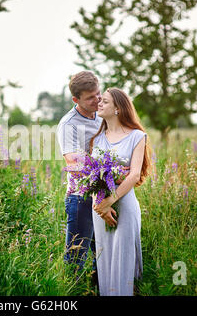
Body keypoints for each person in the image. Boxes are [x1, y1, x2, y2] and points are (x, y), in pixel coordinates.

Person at [57, 72, 129, 285]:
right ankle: (72, 292)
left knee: (104, 254)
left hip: (108, 196)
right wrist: (101, 195)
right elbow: (74, 165)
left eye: (98, 94)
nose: (97, 100)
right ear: (76, 100)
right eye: (90, 98)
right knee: (76, 256)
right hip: (81, 198)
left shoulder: (103, 115)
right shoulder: (69, 124)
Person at [89, 87, 151, 296]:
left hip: (125, 205)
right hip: (99, 209)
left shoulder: (137, 136)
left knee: (124, 260)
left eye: (104, 101)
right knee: (105, 260)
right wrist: (101, 206)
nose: (99, 103)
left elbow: (133, 175)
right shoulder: (97, 140)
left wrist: (110, 201)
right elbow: (91, 177)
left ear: (117, 108)